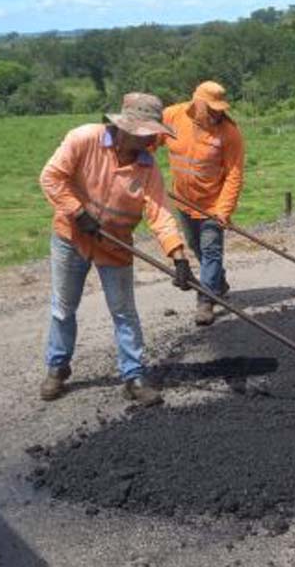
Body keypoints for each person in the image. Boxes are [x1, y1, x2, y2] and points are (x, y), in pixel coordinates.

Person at [39, 93, 194, 406]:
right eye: (148, 133)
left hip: (115, 245)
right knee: (63, 307)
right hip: (72, 237)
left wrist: (178, 256)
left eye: (154, 133)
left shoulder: (147, 167)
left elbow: (160, 213)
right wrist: (78, 213)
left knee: (124, 312)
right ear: (127, 129)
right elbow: (51, 177)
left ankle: (134, 377)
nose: (153, 139)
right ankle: (57, 367)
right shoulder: (84, 139)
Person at [161, 81, 245, 326]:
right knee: (195, 245)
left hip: (212, 205)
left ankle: (206, 300)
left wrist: (223, 211)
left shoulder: (229, 133)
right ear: (195, 101)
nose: (216, 113)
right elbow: (150, 141)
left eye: (219, 108)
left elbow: (234, 174)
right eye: (211, 108)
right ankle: (217, 281)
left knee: (210, 250)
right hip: (184, 200)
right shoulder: (172, 115)